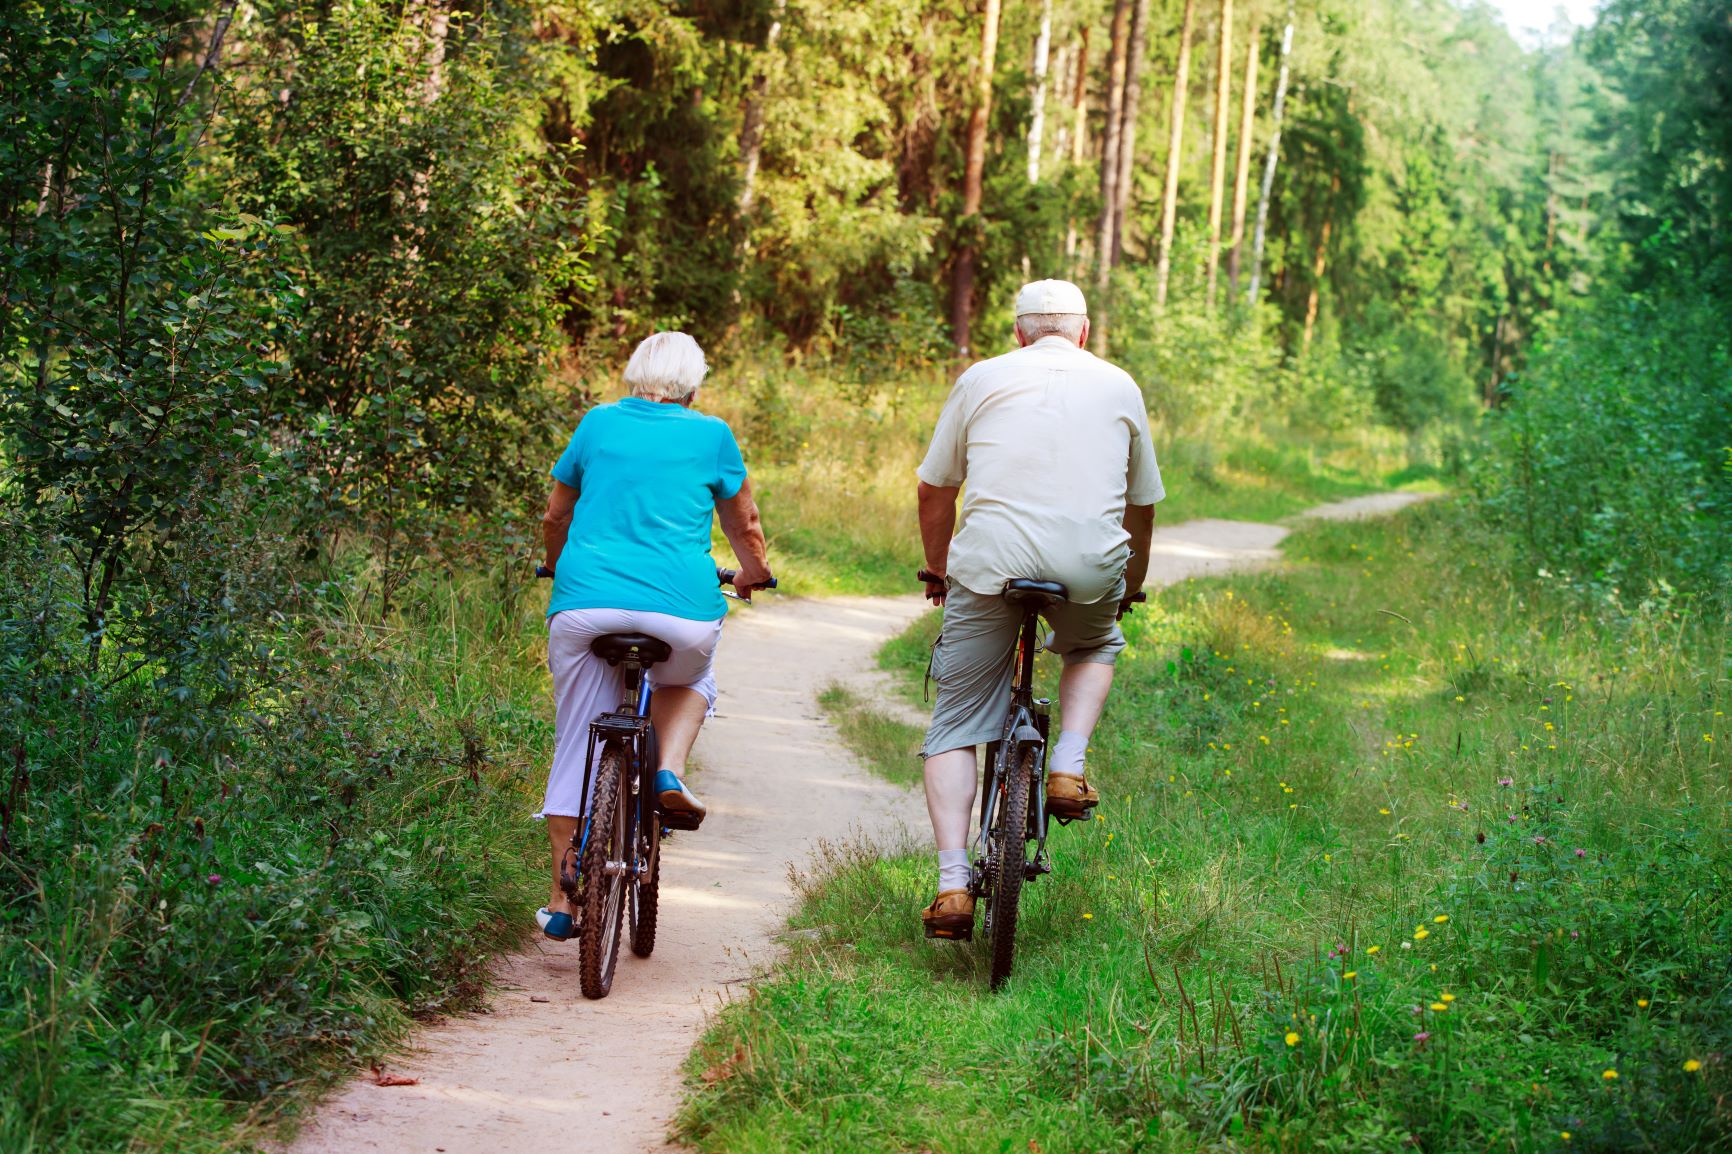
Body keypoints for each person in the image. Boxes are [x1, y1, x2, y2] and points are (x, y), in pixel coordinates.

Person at [914, 279, 1163, 939]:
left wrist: (939, 570)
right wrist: (1128, 584)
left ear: (1018, 333)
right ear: (1084, 333)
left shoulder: (981, 378)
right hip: (1088, 564)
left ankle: (951, 886)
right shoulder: (1120, 385)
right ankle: (1067, 768)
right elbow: (1141, 506)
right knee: (1093, 644)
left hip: (991, 564)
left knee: (957, 721)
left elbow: (935, 489)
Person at [535, 331, 772, 941]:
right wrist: (754, 574)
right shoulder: (711, 434)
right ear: (693, 386)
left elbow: (555, 515)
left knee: (573, 744)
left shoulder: (597, 424)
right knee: (692, 676)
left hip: (586, 607)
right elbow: (742, 520)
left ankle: (562, 904)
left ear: (633, 375)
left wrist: (559, 564)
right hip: (681, 611)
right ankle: (667, 770)